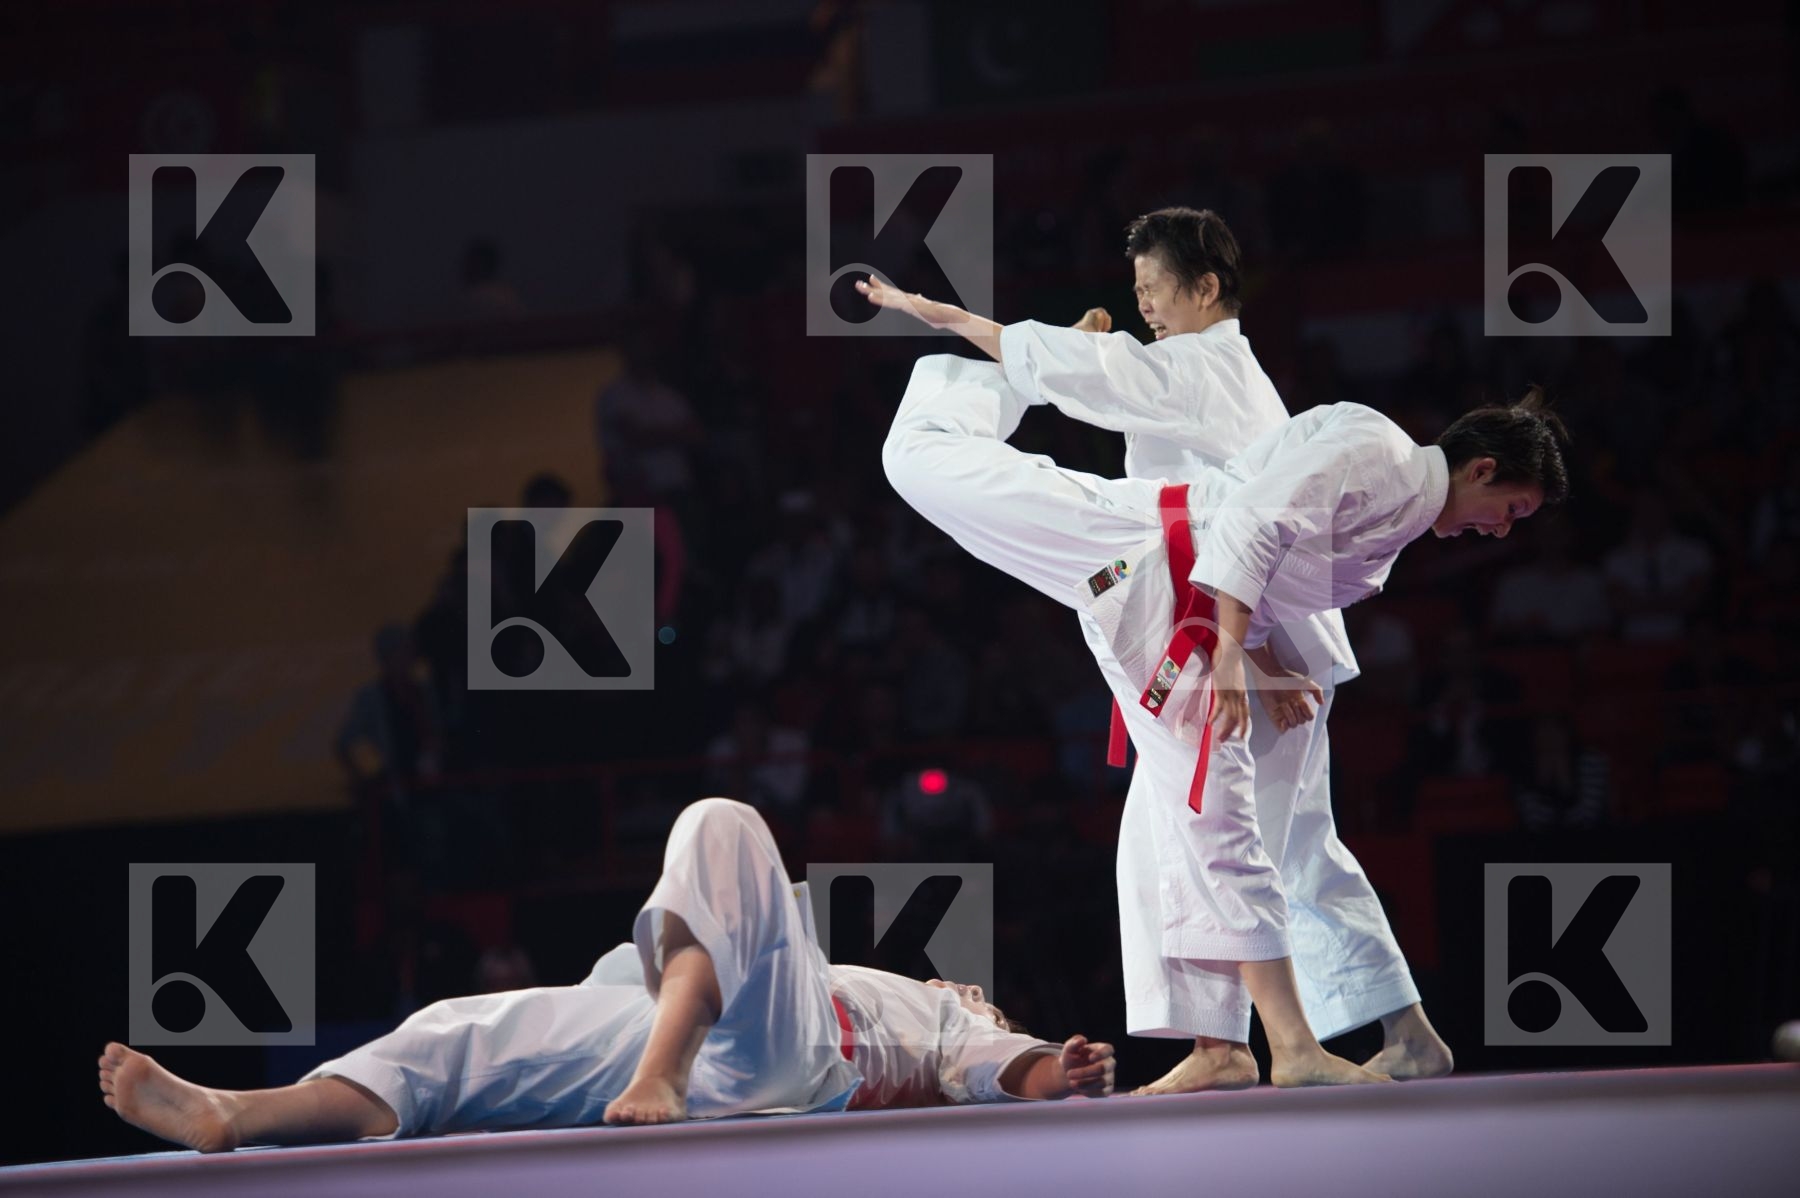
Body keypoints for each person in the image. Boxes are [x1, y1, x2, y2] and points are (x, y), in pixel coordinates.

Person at [866, 272, 1567, 1089]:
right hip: (1155, 559)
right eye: (1513, 511)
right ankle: (1251, 1045)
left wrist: (1252, 657)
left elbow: (1256, 539)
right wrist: (941, 315)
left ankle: (1253, 1046)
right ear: (1482, 469)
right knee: (1226, 832)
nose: (1501, 531)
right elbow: (1245, 525)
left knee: (1218, 828)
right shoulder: (1342, 438)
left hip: (1179, 589)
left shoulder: (1388, 495)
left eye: (1150, 289)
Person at [97, 799, 1113, 1152]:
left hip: (785, 1065)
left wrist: (1051, 1069)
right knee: (461, 1031)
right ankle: (235, 1111)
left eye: (984, 1000)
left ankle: (665, 1065)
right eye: (974, 995)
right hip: (663, 1031)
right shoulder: (857, 968)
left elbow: (1005, 1069)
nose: (973, 992)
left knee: (722, 825)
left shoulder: (941, 1022)